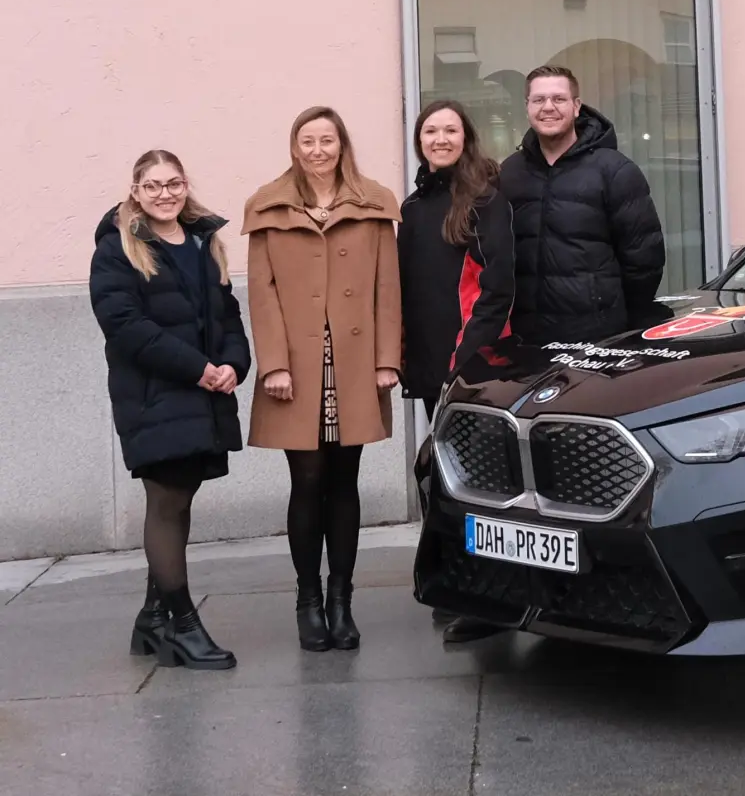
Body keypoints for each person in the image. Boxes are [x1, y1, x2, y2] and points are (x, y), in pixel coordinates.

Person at [242, 106, 403, 653]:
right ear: (294, 146)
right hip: (297, 368)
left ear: (342, 145)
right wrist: (274, 365)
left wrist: (388, 360)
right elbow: (261, 295)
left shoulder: (373, 202)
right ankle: (307, 602)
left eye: (326, 140)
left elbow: (388, 287)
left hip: (354, 364)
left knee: (345, 481)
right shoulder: (268, 207)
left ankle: (342, 602)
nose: (317, 150)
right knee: (306, 481)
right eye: (307, 140)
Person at [89, 150, 251, 671]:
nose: (165, 193)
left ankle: (151, 618)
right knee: (166, 501)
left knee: (180, 500)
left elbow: (227, 314)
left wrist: (232, 364)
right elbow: (126, 326)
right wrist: (198, 368)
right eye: (153, 185)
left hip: (202, 393)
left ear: (186, 186)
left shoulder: (204, 242)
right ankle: (183, 624)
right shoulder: (117, 250)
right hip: (154, 395)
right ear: (135, 190)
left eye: (174, 183)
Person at [397, 99, 517, 644]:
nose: (440, 138)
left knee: (484, 482)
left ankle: (493, 598)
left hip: (473, 365)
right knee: (447, 478)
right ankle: (457, 582)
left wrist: (464, 358)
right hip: (429, 365)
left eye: (449, 130)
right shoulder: (415, 205)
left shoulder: (486, 199)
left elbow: (497, 289)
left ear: (465, 137)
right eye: (430, 130)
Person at [497, 65, 665, 346]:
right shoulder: (509, 174)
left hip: (597, 339)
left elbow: (644, 262)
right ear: (527, 107)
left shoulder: (615, 171)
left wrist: (613, 318)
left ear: (576, 107)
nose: (548, 107)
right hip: (525, 339)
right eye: (538, 100)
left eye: (559, 99)